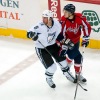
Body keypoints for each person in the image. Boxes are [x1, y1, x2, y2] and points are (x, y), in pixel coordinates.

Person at [27, 10, 76, 88]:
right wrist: (32, 35)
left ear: (50, 18)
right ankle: (48, 78)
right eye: (43, 17)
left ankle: (68, 74)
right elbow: (29, 33)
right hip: (42, 49)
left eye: (45, 18)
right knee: (52, 68)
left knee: (63, 62)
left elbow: (60, 36)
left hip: (53, 45)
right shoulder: (39, 26)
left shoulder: (57, 24)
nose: (43, 19)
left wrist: (66, 41)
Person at [57, 4, 91, 83]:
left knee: (75, 55)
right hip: (67, 41)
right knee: (78, 56)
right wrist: (64, 44)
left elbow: (86, 26)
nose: (64, 12)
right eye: (64, 11)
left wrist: (86, 37)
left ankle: (69, 64)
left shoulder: (79, 17)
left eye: (66, 11)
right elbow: (61, 33)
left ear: (71, 13)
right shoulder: (63, 20)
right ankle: (76, 73)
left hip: (76, 41)